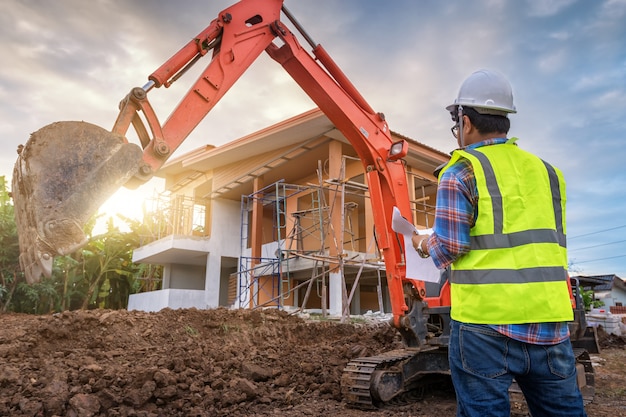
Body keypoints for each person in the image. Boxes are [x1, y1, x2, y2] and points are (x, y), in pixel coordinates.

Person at [412, 69, 587, 417]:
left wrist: (421, 242)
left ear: (465, 121)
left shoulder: (461, 171)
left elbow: (450, 247)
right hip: (548, 321)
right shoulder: (549, 172)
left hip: (484, 326)